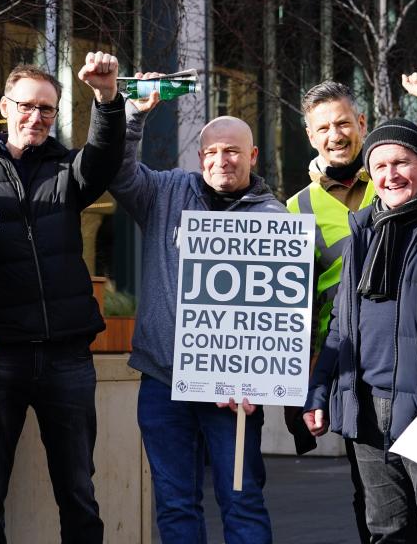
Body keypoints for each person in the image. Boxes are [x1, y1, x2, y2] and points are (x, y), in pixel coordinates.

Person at [285, 70, 417, 541]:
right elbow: (298, 309)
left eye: (342, 123)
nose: (335, 135)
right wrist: (307, 388)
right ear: (310, 135)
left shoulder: (397, 171)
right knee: (379, 517)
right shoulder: (296, 207)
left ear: (360, 121)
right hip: (354, 375)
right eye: (322, 128)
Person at [0, 52, 125, 544]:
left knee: (78, 491)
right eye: (27, 106)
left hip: (66, 355)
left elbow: (105, 155)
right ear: (5, 107)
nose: (36, 117)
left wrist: (107, 98)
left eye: (47, 110)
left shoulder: (69, 170)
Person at [109, 83, 281, 544]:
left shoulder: (275, 219)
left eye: (232, 152)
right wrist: (134, 118)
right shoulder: (166, 192)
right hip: (164, 382)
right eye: (211, 152)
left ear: (253, 155)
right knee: (174, 501)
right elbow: (118, 172)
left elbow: (283, 311)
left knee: (241, 499)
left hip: (234, 390)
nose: (221, 162)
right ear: (199, 154)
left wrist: (256, 378)